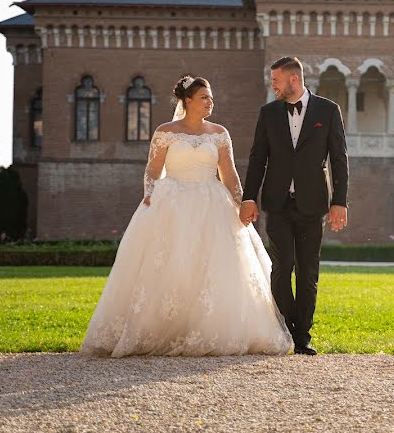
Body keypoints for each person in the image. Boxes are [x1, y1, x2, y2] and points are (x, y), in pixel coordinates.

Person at [80, 75, 292, 357]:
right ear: (188, 101)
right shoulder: (166, 132)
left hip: (211, 202)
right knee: (171, 263)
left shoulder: (219, 133)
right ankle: (163, 328)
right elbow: (153, 171)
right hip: (172, 202)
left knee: (213, 266)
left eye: (211, 97)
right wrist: (151, 195)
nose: (210, 102)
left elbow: (228, 174)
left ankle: (212, 329)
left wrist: (242, 202)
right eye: (204, 97)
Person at [239, 56, 349, 356]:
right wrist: (249, 197)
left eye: (276, 80)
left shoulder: (328, 111)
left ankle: (303, 337)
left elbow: (339, 158)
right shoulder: (268, 113)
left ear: (294, 80)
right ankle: (286, 326)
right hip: (277, 204)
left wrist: (340, 201)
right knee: (282, 265)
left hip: (313, 205)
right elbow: (258, 157)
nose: (272, 85)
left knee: (307, 271)